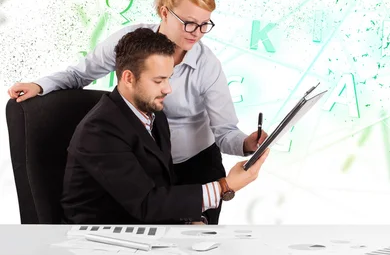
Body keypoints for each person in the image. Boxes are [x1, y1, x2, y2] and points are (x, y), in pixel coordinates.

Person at [8, 0, 267, 224]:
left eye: (204, 25)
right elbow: (80, 73)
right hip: (140, 171)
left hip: (188, 165)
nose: (197, 33)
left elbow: (224, 131)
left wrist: (247, 145)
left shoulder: (166, 111)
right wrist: (41, 86)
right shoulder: (131, 48)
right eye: (189, 23)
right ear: (165, 13)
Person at [62, 28, 269, 224]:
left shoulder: (155, 115)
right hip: (98, 237)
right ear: (128, 78)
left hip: (144, 228)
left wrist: (189, 221)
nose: (168, 89)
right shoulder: (100, 132)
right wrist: (226, 186)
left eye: (169, 78)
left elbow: (162, 188)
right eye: (159, 80)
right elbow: (146, 203)